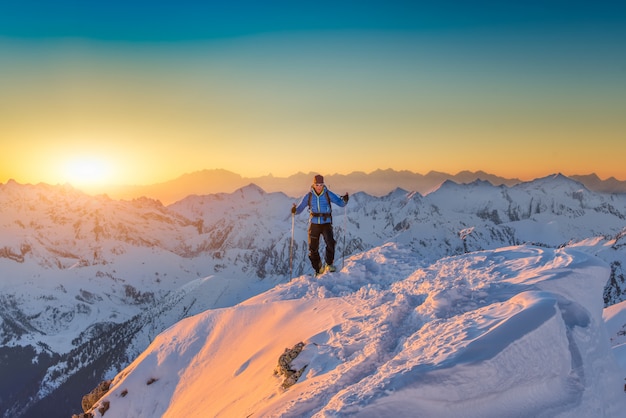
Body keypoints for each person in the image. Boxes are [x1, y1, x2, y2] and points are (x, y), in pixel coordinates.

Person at [292, 174, 349, 275]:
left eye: (321, 184)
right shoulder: (308, 196)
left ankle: (329, 264)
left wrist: (345, 200)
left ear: (323, 184)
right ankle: (318, 270)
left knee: (330, 243)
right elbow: (300, 209)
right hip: (314, 223)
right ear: (313, 185)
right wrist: (294, 210)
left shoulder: (328, 194)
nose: (319, 187)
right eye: (317, 184)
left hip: (326, 222)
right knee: (312, 248)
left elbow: (340, 203)